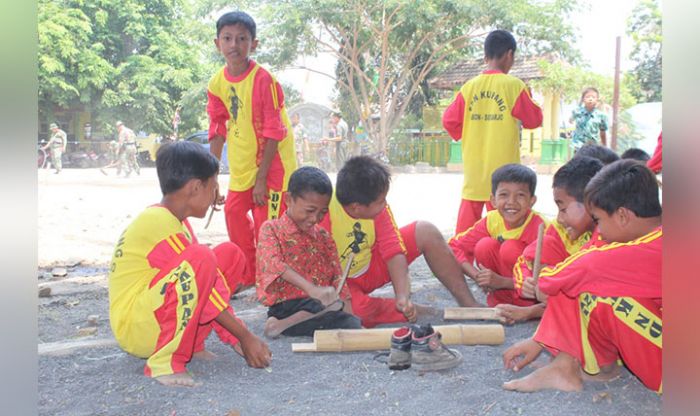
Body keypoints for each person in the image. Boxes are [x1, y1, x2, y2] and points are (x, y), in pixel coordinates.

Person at [108, 141, 271, 387]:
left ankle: (192, 345)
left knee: (229, 255)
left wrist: (236, 338)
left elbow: (210, 285)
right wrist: (244, 337)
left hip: (150, 316)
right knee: (203, 259)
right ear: (195, 187)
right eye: (213, 187)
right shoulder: (156, 222)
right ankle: (166, 363)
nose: (217, 196)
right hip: (137, 329)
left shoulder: (176, 222)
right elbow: (206, 284)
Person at [502, 159, 662, 393]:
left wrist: (544, 282)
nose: (599, 230)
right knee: (582, 283)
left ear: (622, 216)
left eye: (598, 220)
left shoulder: (650, 247)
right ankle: (566, 366)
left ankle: (569, 366)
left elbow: (583, 267)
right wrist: (540, 338)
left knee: (594, 290)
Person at [319, 156, 482, 328]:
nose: (384, 205)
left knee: (426, 231)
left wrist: (402, 295)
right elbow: (321, 271)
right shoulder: (324, 211)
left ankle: (469, 303)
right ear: (356, 208)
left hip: (371, 268)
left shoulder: (375, 205)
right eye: (380, 202)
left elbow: (393, 250)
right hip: (341, 281)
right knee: (355, 310)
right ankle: (411, 311)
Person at [206, 11, 297, 291]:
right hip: (242, 165)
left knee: (265, 224)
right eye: (228, 38)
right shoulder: (216, 83)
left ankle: (272, 279)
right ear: (217, 43)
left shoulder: (263, 79)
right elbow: (217, 130)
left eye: (242, 39)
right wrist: (212, 181)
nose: (234, 44)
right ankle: (249, 274)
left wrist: (261, 179)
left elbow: (274, 131)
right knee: (233, 214)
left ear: (253, 44)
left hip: (273, 167)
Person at [442, 30, 543, 234]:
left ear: (486, 56)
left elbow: (448, 121)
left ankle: (459, 265)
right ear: (509, 55)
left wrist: (471, 130)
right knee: (505, 228)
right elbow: (534, 120)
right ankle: (498, 263)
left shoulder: (469, 88)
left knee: (464, 233)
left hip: (474, 170)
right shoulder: (514, 86)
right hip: (505, 176)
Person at [256, 166, 362, 337]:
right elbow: (275, 264)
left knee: (349, 319)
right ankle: (280, 323)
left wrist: (350, 317)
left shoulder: (323, 236)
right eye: (310, 210)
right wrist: (312, 289)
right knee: (322, 304)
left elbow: (337, 277)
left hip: (318, 308)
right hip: (286, 307)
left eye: (322, 213)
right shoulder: (271, 229)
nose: (315, 218)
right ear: (288, 199)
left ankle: (282, 326)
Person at [501, 156, 605, 324]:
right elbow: (524, 260)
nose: (560, 218)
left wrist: (541, 293)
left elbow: (574, 282)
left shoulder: (606, 239)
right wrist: (525, 283)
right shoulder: (561, 228)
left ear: (590, 203)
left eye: (563, 209)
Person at [448, 164, 546, 308]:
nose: (511, 202)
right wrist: (477, 276)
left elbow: (547, 276)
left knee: (510, 248)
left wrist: (502, 282)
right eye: (504, 195)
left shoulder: (541, 228)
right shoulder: (491, 220)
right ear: (493, 200)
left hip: (529, 299)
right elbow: (453, 247)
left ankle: (520, 306)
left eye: (520, 195)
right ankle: (498, 300)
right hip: (499, 295)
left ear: (532, 200)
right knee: (484, 245)